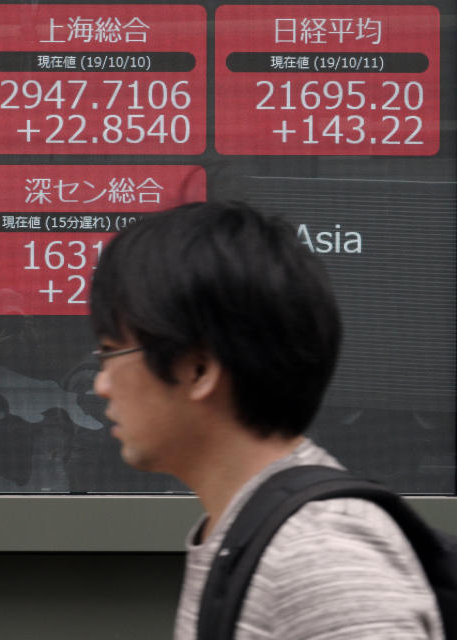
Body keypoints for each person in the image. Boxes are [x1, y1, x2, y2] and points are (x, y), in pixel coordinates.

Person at [88, 202, 443, 639]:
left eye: (111, 351)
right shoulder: (246, 530)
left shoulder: (317, 557)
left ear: (199, 370)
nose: (101, 384)